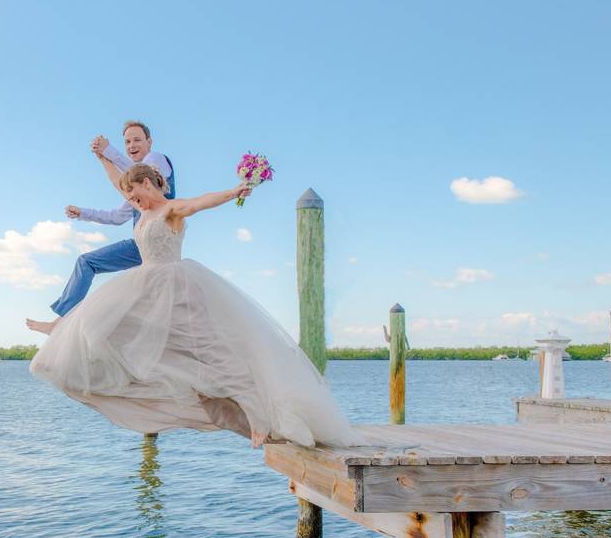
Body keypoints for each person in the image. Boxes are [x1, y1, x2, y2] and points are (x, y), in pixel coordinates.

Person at [30, 163, 362, 449]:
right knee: (101, 329)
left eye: (134, 194)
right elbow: (119, 177)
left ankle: (259, 414)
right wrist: (103, 157)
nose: (133, 201)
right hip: (145, 289)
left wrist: (234, 192)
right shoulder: (142, 214)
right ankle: (95, 361)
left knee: (212, 356)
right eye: (129, 198)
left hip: (176, 289)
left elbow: (202, 202)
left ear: (148, 183)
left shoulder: (171, 209)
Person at [25, 120, 175, 335]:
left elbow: (141, 175)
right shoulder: (135, 191)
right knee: (86, 262)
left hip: (159, 242)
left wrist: (109, 152)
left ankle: (61, 324)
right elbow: (116, 217)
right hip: (140, 245)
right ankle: (60, 323)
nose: (131, 145)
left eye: (137, 140)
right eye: (127, 142)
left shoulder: (156, 159)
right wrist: (83, 213)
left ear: (149, 142)